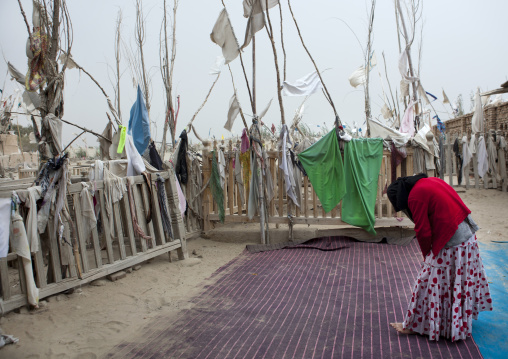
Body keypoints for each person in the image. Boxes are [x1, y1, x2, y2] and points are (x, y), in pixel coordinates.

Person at [387, 173, 493, 341]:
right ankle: (453, 323)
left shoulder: (415, 197)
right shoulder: (429, 181)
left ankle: (416, 325)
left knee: (428, 280)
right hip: (467, 234)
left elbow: (423, 231)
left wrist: (426, 257)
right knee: (456, 280)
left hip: (453, 237)